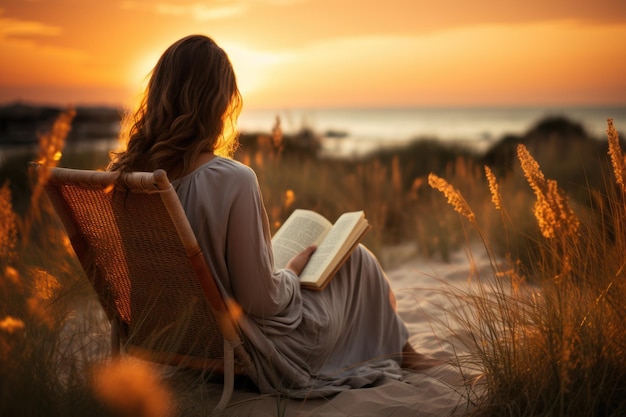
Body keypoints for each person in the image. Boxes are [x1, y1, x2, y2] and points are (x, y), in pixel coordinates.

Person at [108, 34, 437, 397]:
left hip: (175, 338)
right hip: (254, 347)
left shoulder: (124, 180)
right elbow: (260, 302)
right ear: (218, 103)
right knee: (356, 259)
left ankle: (403, 352)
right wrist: (291, 273)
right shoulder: (231, 179)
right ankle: (405, 355)